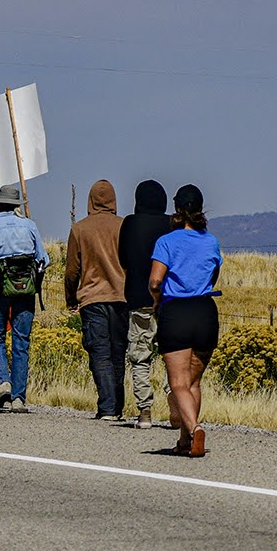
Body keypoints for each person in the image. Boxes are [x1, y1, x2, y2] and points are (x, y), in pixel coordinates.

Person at [149, 184, 221, 457]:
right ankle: (184, 441)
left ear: (178, 210)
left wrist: (157, 301)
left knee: (178, 383)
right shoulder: (211, 241)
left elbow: (155, 280)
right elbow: (213, 273)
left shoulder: (167, 242)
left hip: (176, 310)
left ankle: (195, 429)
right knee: (194, 383)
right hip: (205, 311)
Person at [63, 181, 127, 420]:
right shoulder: (123, 227)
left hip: (92, 298)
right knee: (118, 352)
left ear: (89, 201)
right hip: (121, 296)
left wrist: (71, 299)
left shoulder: (80, 229)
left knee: (99, 353)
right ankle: (117, 406)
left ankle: (107, 406)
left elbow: (72, 271)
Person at [0, 184, 47, 411]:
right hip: (26, 289)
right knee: (21, 342)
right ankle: (19, 397)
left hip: (0, 288)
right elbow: (44, 259)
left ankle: (3, 380)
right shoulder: (29, 226)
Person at [117, 179, 173, 429]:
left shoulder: (130, 223)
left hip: (138, 299)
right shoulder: (171, 224)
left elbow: (123, 258)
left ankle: (144, 410)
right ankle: (176, 405)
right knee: (172, 354)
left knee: (140, 356)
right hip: (168, 299)